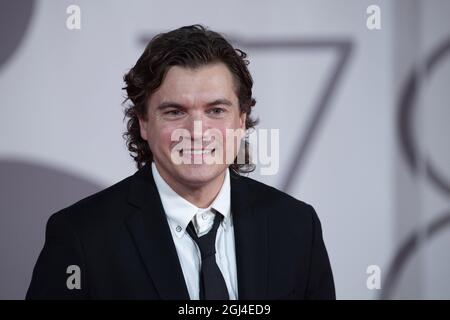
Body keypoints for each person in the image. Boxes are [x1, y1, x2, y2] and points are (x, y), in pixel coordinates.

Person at [26, 24, 335, 300]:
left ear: (241, 121)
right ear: (144, 123)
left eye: (216, 111)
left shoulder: (296, 227)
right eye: (175, 112)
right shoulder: (81, 236)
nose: (197, 132)